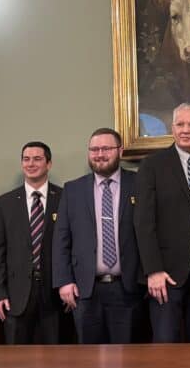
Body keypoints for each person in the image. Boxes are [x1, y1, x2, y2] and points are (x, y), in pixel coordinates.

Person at [134, 103, 190, 343]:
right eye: (180, 124)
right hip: (166, 276)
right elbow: (144, 222)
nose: (186, 130)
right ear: (172, 128)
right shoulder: (152, 165)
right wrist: (153, 270)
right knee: (166, 348)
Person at [53, 128, 146, 344]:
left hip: (128, 289)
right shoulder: (73, 189)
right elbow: (61, 240)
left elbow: (150, 233)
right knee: (89, 363)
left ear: (120, 151)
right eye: (94, 149)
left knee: (128, 361)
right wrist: (64, 281)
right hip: (86, 292)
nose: (100, 154)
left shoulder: (139, 184)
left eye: (106, 148)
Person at [0, 141, 63, 344]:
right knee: (16, 363)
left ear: (49, 164)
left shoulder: (65, 198)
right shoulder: (3, 203)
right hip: (15, 296)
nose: (31, 164)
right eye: (26, 159)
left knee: (56, 360)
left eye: (37, 159)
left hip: (55, 295)